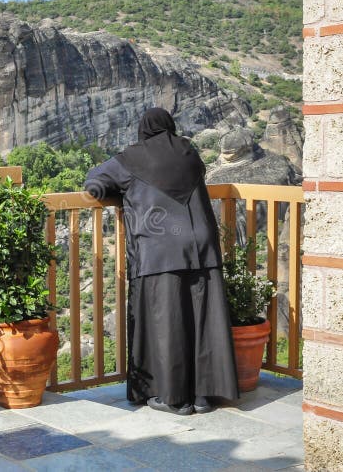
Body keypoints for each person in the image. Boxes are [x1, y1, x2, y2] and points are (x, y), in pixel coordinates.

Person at [84, 107, 238, 415]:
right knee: (202, 320)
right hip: (201, 245)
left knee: (167, 322)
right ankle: (204, 396)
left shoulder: (132, 158)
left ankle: (173, 399)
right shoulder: (188, 151)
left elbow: (94, 183)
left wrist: (122, 195)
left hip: (160, 249)